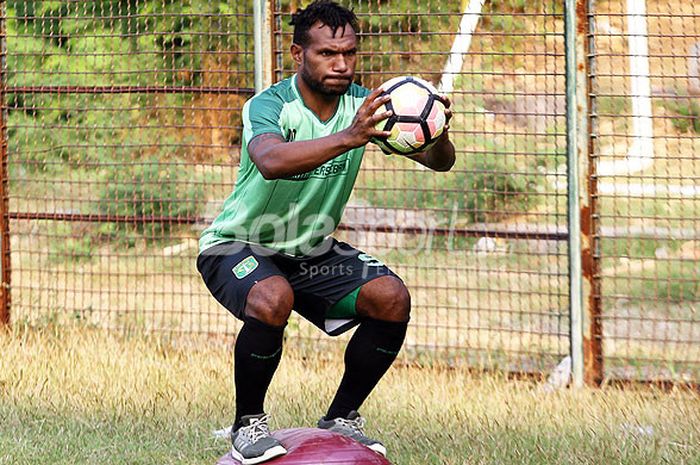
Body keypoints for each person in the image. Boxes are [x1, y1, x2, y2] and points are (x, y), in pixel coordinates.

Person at [197, 1, 455, 463]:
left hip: (310, 251)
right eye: (326, 53)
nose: (341, 64)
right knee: (272, 297)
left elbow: (441, 163)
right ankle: (248, 424)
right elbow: (270, 161)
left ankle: (342, 416)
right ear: (299, 54)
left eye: (349, 53)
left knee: (391, 297)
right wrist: (347, 137)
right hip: (236, 245)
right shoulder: (271, 104)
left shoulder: (366, 106)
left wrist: (434, 132)